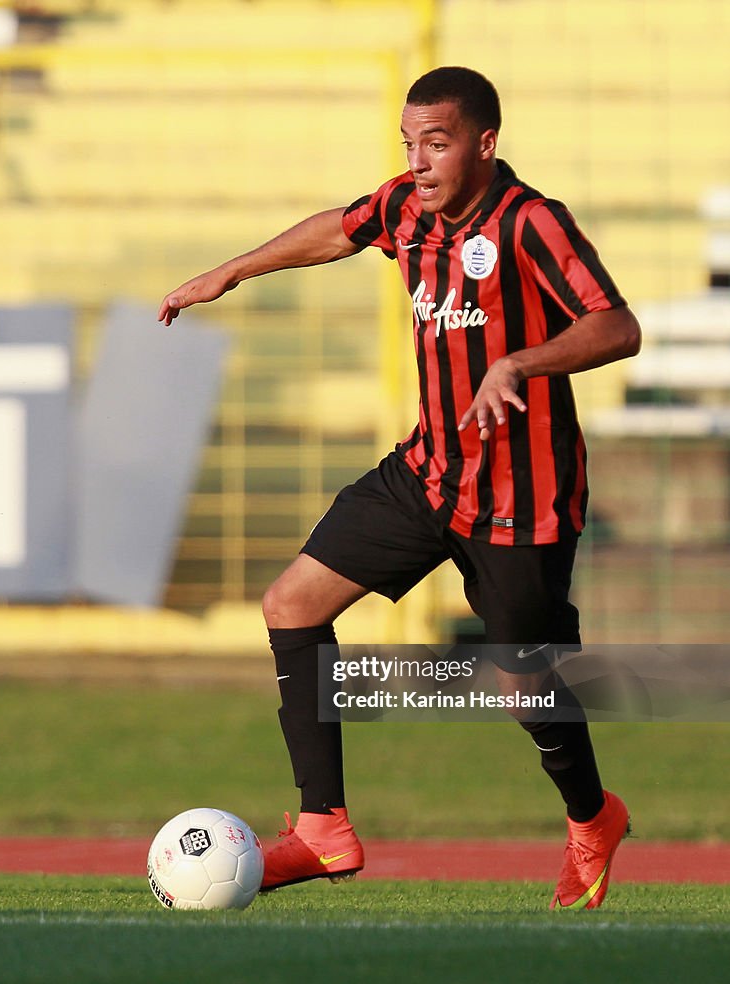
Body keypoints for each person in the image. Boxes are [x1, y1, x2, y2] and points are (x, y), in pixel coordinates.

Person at [159, 66, 641, 910]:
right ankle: (323, 829)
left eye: (438, 143)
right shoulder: (406, 208)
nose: (418, 161)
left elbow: (615, 325)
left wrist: (519, 362)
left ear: (484, 144)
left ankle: (591, 817)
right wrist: (230, 272)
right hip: (426, 474)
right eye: (408, 143)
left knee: (518, 683)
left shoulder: (530, 223)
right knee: (291, 604)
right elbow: (337, 231)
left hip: (520, 500)